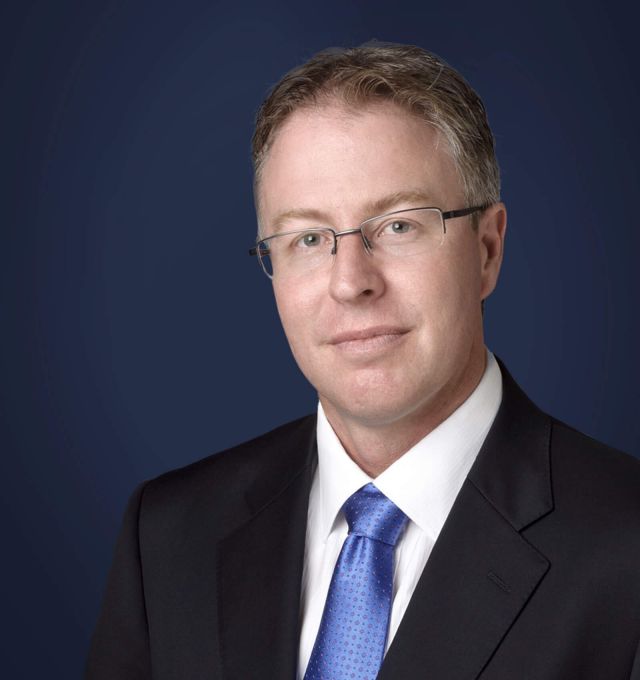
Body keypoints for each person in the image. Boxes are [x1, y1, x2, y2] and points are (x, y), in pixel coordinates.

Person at [86, 42, 640, 680]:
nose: (351, 282)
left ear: (487, 250)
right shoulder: (167, 535)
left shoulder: (626, 549)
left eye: (399, 226)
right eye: (308, 238)